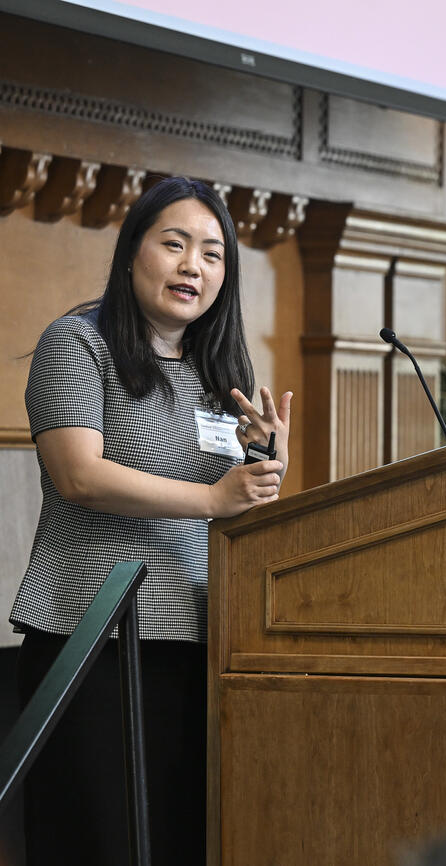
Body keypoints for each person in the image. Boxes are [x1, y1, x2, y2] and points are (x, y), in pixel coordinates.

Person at [12, 176, 292, 864]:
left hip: (202, 645)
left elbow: (232, 506)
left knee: (184, 840)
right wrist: (214, 498)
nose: (193, 265)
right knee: (99, 843)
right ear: (132, 251)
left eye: (213, 253)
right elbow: (80, 475)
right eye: (174, 244)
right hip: (92, 648)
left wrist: (263, 469)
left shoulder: (217, 371)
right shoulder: (77, 345)